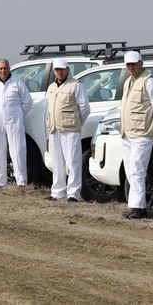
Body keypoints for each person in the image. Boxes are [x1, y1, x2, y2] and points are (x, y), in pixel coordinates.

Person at [120, 51, 153, 219]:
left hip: (143, 133)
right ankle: (135, 205)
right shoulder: (128, 82)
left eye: (134, 64)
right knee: (130, 170)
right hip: (127, 132)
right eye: (128, 65)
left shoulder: (150, 82)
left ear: (141, 63)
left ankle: (138, 208)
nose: (131, 67)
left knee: (138, 169)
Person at [45, 58, 90, 202]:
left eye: (62, 69)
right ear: (54, 71)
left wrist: (76, 123)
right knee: (57, 162)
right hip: (54, 129)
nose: (60, 72)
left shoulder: (76, 85)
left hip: (70, 130)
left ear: (67, 70)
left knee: (73, 162)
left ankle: (73, 194)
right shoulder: (51, 87)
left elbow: (85, 109)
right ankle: (58, 192)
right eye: (57, 69)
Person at [0, 58, 33, 188]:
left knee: (17, 149)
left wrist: (19, 113)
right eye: (0, 68)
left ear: (9, 68)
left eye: (5, 68)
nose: (3, 70)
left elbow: (27, 101)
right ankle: (0, 182)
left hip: (14, 119)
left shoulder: (17, 82)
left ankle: (21, 182)